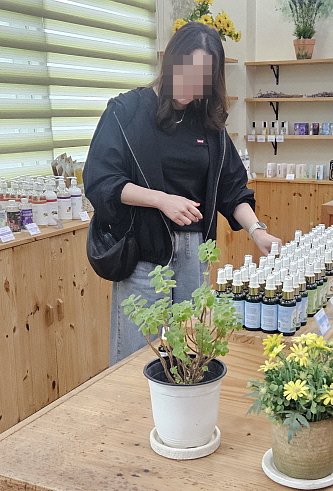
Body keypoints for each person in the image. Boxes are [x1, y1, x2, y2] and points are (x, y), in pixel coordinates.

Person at [85, 22, 281, 365]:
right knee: (136, 358)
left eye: (204, 77)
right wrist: (161, 200)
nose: (193, 86)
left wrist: (256, 230)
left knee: (191, 356)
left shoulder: (208, 123)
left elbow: (232, 187)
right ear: (171, 63)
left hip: (194, 253)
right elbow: (100, 180)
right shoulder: (127, 111)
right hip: (144, 252)